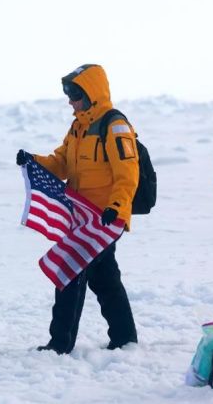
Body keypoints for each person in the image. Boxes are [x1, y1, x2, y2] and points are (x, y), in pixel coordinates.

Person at [15, 64, 139, 354]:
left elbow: (128, 172)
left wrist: (117, 206)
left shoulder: (115, 125)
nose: (70, 101)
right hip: (82, 218)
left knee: (69, 271)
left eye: (74, 94)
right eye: (68, 94)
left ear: (91, 93)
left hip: (105, 218)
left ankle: (60, 343)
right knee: (104, 278)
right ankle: (125, 338)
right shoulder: (78, 127)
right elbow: (61, 164)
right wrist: (33, 160)